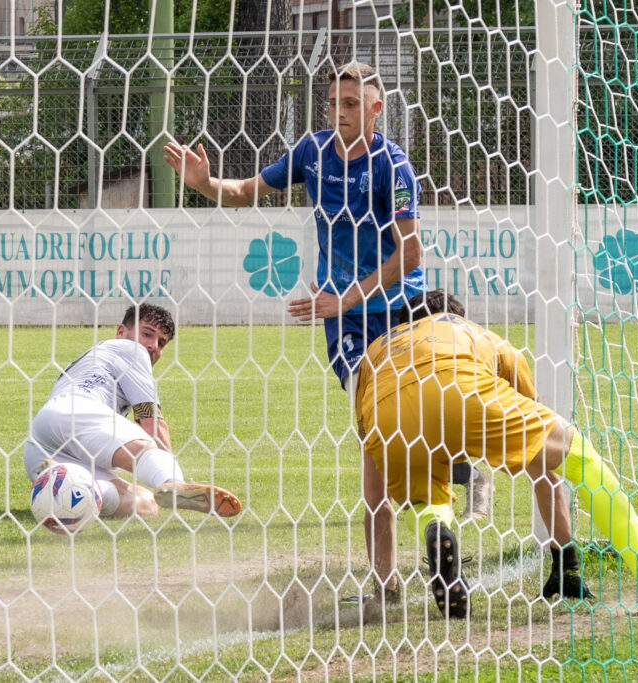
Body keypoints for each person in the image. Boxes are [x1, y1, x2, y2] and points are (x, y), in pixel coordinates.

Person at [162, 63, 492, 527]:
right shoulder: (312, 152)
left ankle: (464, 473)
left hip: (400, 306)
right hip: (347, 317)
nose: (340, 112)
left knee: (420, 411)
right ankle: (392, 566)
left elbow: (411, 253)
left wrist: (347, 297)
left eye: (352, 104)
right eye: (334, 103)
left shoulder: (393, 166)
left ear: (377, 109)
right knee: (376, 421)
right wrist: (204, 184)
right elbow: (245, 190)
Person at [354, 290, 638, 618]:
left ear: (402, 324)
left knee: (423, 495)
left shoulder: (376, 351)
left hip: (391, 413)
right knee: (581, 457)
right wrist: (565, 561)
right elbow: (543, 467)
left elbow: (374, 495)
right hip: (467, 392)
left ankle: (435, 527)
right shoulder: (475, 333)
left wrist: (386, 588)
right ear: (454, 316)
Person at [23, 303, 242, 518]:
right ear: (121, 331)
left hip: (40, 451)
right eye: (147, 334)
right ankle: (174, 484)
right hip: (75, 413)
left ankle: (90, 494)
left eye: (162, 343)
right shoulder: (131, 350)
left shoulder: (94, 358)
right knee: (147, 448)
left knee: (147, 504)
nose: (153, 345)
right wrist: (172, 475)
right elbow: (152, 423)